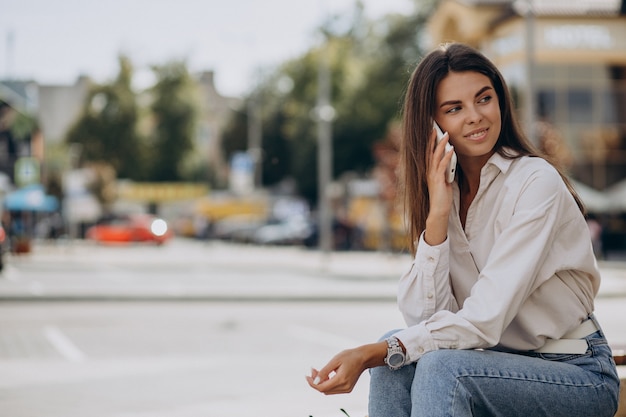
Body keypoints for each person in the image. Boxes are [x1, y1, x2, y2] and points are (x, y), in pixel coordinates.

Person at [306, 43, 620, 417]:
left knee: (429, 365)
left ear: (500, 102)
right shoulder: (446, 195)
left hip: (577, 373)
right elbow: (425, 321)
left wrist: (372, 354)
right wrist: (437, 215)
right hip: (493, 367)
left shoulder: (536, 183)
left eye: (483, 99)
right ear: (432, 124)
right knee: (396, 355)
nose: (475, 117)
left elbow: (484, 319)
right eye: (454, 109)